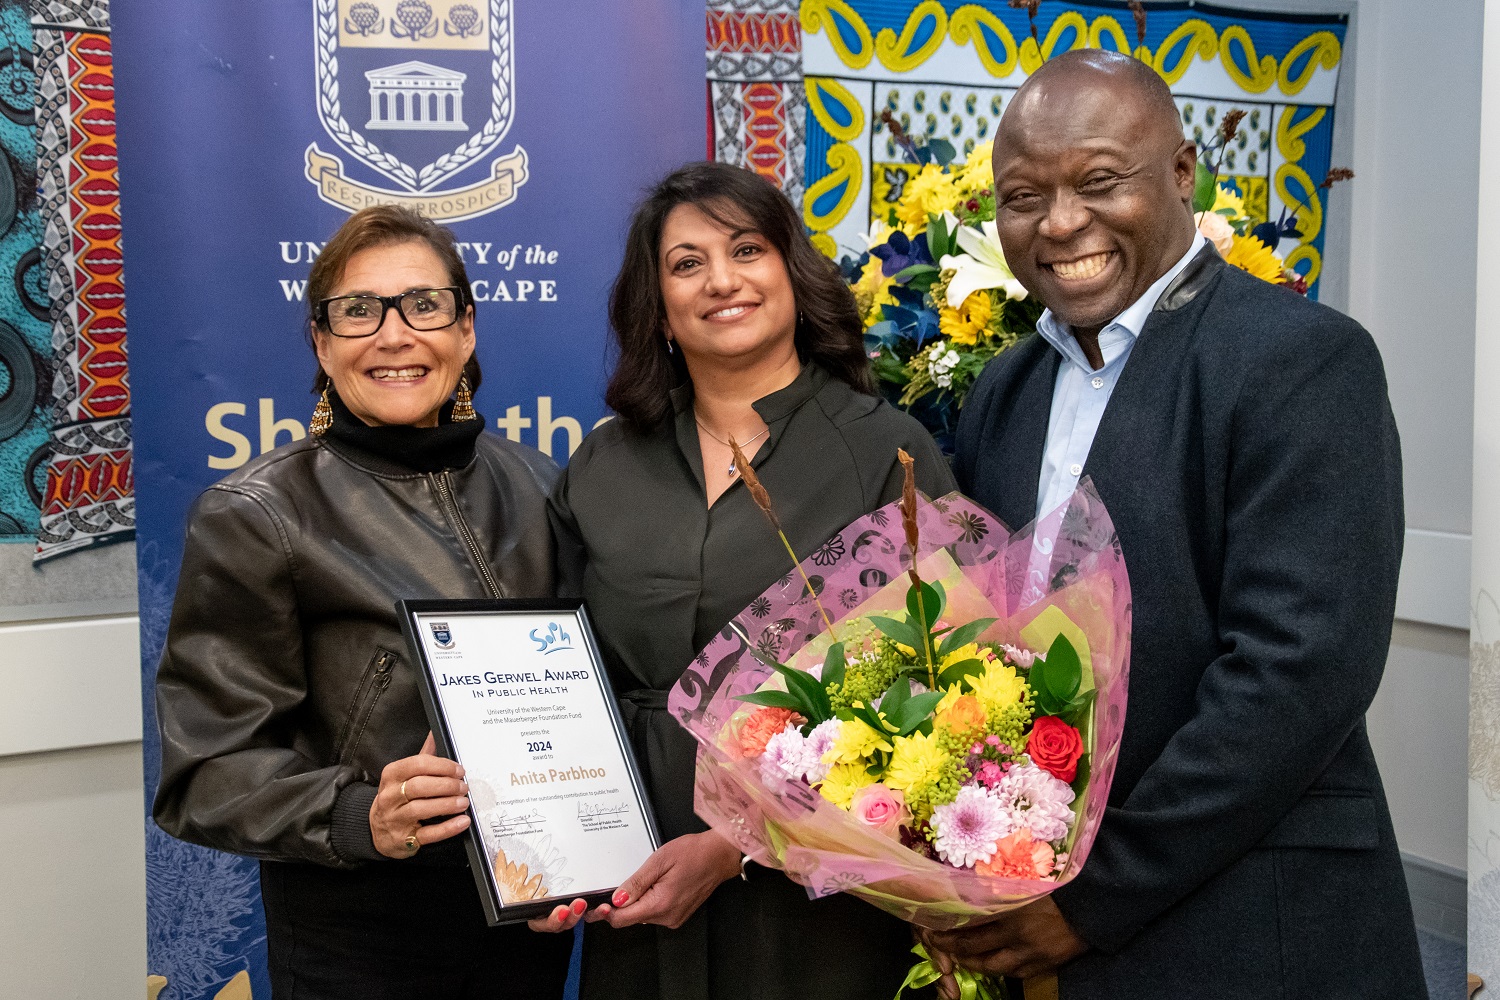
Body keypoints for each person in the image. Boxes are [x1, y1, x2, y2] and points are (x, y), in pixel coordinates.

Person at [925, 49, 1426, 1000]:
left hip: (1248, 925)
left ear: (1185, 173)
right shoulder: (1005, 389)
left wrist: (1091, 898)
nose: (1061, 222)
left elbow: (1297, 673)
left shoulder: (1301, 361)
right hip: (1044, 916)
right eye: (1023, 195)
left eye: (1099, 182)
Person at [542, 161, 956, 999]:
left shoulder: (886, 449)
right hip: (634, 866)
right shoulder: (604, 461)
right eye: (687, 263)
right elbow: (554, 670)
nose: (721, 280)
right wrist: (543, 846)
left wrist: (742, 841)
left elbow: (942, 684)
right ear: (656, 308)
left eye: (746, 250)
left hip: (820, 883)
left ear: (793, 274)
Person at [152, 205, 574, 999]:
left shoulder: (543, 483)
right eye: (358, 311)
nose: (394, 334)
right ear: (321, 342)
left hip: (528, 917)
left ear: (466, 328)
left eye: (424, 304)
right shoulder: (258, 514)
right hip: (361, 933)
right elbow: (204, 773)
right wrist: (358, 815)